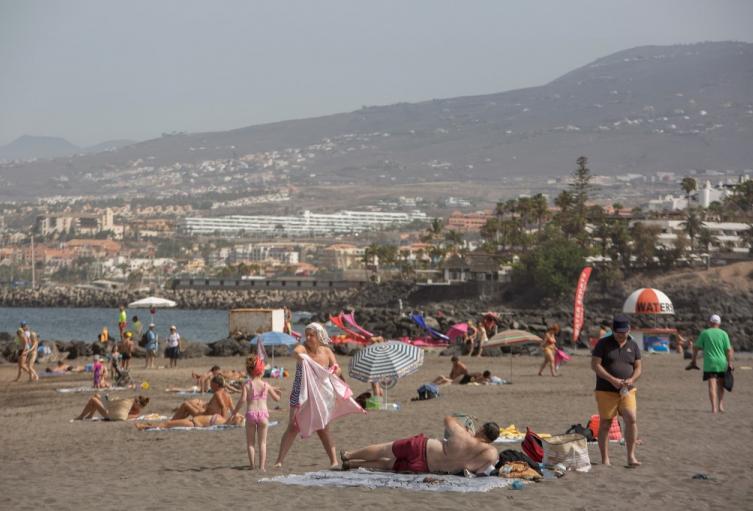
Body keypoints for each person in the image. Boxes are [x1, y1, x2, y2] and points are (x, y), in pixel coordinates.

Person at [274, 322, 347, 469]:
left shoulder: (326, 351)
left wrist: (334, 371)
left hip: (321, 394)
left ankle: (334, 461)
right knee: (293, 426)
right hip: (301, 392)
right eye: (306, 334)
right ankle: (279, 461)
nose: (308, 337)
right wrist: (304, 358)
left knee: (323, 427)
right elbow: (295, 353)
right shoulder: (303, 348)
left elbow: (337, 368)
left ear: (319, 336)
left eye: (311, 335)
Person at [340, 416, 500, 474]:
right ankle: (352, 465)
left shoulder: (465, 435)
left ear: (481, 429)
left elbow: (448, 420)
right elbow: (479, 470)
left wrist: (466, 429)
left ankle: (349, 455)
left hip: (421, 447)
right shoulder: (490, 453)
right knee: (389, 465)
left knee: (385, 449)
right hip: (425, 467)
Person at [591, 314, 642, 467]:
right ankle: (605, 459)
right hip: (605, 390)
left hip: (627, 389)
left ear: (629, 330)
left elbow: (638, 367)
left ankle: (631, 456)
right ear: (613, 330)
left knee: (631, 418)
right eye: (618, 332)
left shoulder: (633, 345)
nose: (621, 335)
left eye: (624, 332)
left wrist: (632, 379)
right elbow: (595, 365)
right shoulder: (603, 344)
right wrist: (612, 380)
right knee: (606, 423)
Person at [230, 355, 282, 470]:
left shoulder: (247, 385)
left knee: (250, 443)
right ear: (261, 371)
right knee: (262, 443)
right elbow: (277, 399)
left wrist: (234, 411)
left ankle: (252, 465)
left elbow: (243, 400)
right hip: (263, 415)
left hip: (251, 414)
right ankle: (262, 467)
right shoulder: (266, 385)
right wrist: (278, 393)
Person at [687, 314, 734, 414]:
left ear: (710, 322)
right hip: (722, 362)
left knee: (712, 385)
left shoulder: (705, 333)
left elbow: (696, 347)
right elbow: (729, 350)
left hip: (710, 363)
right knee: (721, 385)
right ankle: (720, 405)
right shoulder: (724, 334)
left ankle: (714, 408)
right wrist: (730, 363)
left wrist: (694, 359)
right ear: (719, 323)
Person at [75, 394, 149, 420]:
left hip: (109, 414)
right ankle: (90, 415)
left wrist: (134, 416)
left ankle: (81, 416)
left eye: (136, 402)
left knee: (93, 399)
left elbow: (125, 416)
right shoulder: (130, 405)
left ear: (140, 405)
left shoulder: (136, 411)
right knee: (96, 395)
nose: (134, 402)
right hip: (111, 409)